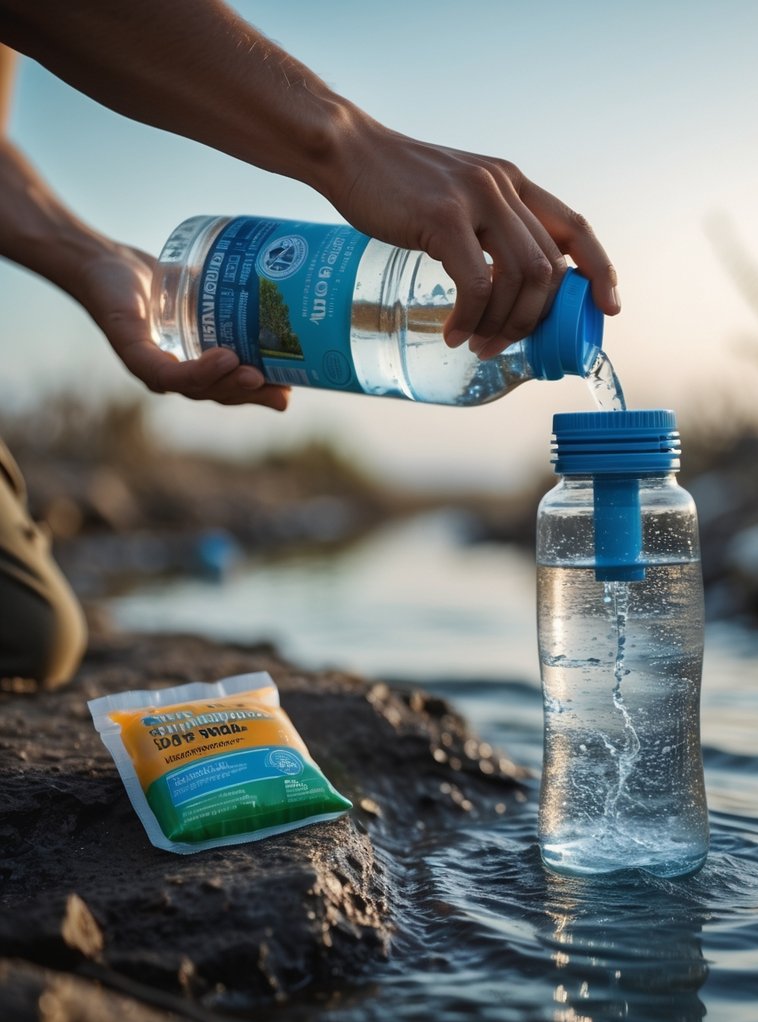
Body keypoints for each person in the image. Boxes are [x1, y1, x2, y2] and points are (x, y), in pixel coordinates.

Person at [0, 1, 619, 686]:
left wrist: (91, 258)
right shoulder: (481, 375)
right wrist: (344, 142)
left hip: (180, 281)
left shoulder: (489, 377)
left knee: (29, 632)